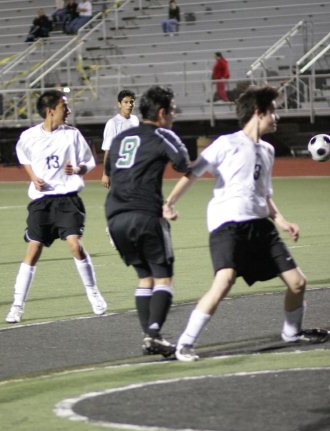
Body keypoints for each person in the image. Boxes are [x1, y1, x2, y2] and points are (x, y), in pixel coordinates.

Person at [163, 85, 319, 363]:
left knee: (297, 282)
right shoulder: (226, 143)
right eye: (273, 111)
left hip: (260, 226)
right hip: (228, 224)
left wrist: (282, 220)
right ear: (259, 113)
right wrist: (170, 202)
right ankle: (184, 344)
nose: (276, 117)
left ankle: (292, 334)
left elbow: (264, 193)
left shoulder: (268, 151)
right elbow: (193, 172)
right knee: (224, 281)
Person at [5, 88, 107, 323]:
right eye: (64, 106)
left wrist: (79, 169)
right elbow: (24, 156)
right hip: (41, 202)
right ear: (51, 111)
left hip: (68, 199)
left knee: (74, 245)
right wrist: (32, 177)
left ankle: (93, 294)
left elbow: (90, 161)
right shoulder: (29, 136)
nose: (68, 110)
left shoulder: (72, 134)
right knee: (33, 249)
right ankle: (17, 305)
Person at [105, 85, 190, 356]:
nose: (174, 115)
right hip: (145, 215)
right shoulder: (162, 134)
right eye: (173, 110)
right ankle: (154, 334)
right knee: (163, 279)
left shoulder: (121, 138)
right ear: (163, 112)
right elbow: (183, 162)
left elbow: (110, 170)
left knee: (145, 277)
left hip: (115, 217)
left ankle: (149, 337)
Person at [101, 89, 138, 189]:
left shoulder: (135, 120)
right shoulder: (113, 123)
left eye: (132, 102)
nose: (129, 105)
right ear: (119, 104)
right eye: (126, 102)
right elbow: (108, 149)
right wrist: (105, 173)